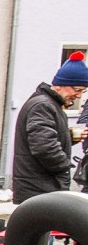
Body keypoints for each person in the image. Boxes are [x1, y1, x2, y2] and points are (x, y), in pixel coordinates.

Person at [13, 51, 88, 204]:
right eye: (77, 90)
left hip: (40, 188)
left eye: (83, 91)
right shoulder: (43, 106)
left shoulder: (48, 104)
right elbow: (44, 147)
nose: (79, 96)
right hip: (40, 189)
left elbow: (44, 137)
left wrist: (69, 136)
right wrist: (66, 167)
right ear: (61, 85)